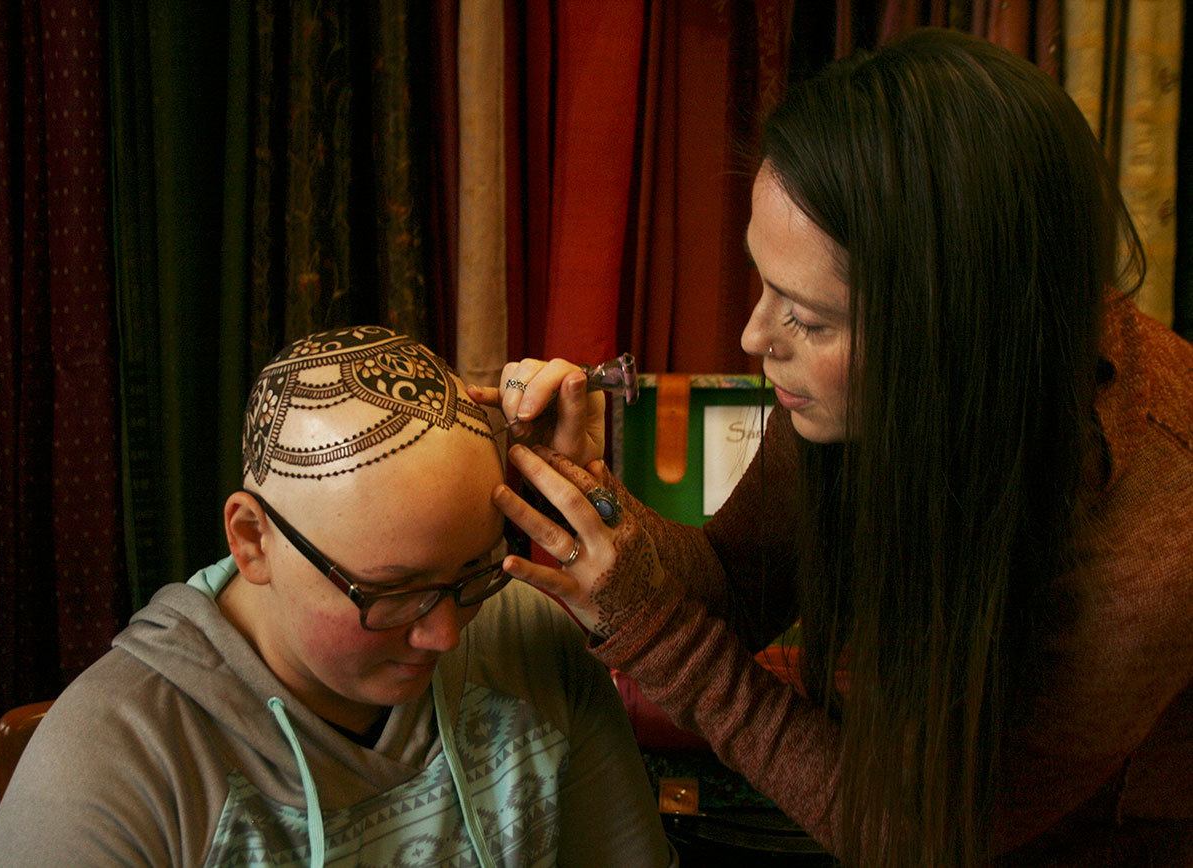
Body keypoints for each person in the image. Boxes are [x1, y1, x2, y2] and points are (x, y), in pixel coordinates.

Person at [472, 28, 1193, 867]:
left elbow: (924, 840)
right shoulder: (877, 382)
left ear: (947, 334)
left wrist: (655, 631)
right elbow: (736, 587)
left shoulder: (1159, 529)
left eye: (808, 318)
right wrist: (589, 487)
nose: (752, 336)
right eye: (765, 286)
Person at [0, 326, 672, 866]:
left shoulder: (528, 637)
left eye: (473, 575)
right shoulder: (113, 765)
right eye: (392, 593)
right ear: (252, 540)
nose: (446, 635)